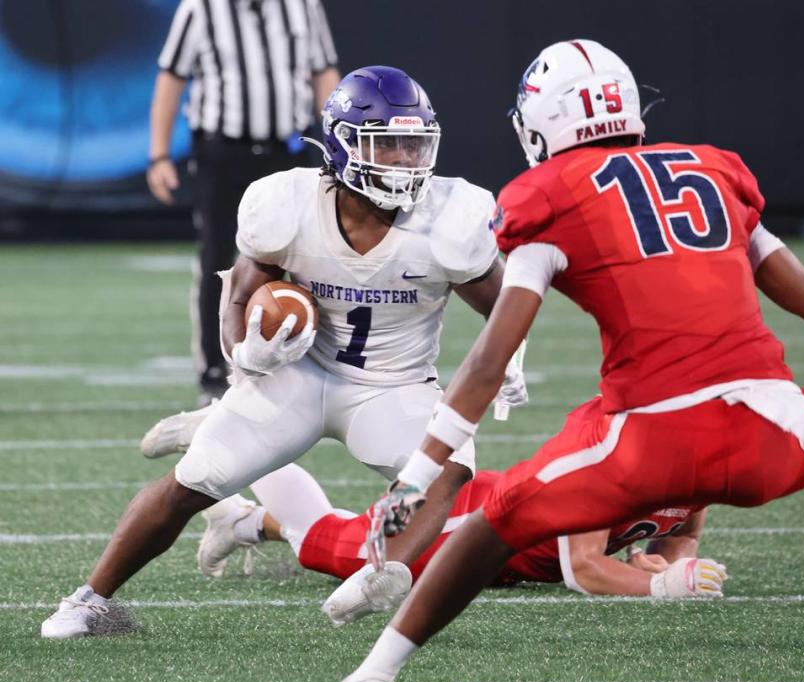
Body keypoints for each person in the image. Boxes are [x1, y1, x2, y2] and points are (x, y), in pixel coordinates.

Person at [338, 40, 804, 682]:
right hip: (771, 430)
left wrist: (415, 476)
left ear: (545, 123)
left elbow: (492, 358)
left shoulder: (547, 193)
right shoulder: (714, 172)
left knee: (492, 526)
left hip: (650, 441)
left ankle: (375, 674)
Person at [40, 66, 527, 639]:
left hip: (392, 386)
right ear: (343, 145)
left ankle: (384, 568)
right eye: (386, 144)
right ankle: (89, 600)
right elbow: (240, 296)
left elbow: (505, 303)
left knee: (450, 466)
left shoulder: (450, 217)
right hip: (296, 376)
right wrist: (247, 355)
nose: (403, 160)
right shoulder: (286, 203)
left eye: (413, 143)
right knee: (192, 482)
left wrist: (510, 355)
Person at [147, 0, 341, 404]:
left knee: (303, 257)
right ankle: (215, 371)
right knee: (219, 260)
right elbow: (171, 77)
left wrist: (335, 145)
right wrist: (159, 154)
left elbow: (323, 72)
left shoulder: (302, 6)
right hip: (223, 152)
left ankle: (303, 359)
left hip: (286, 151)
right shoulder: (200, 9)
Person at [193, 465, 726, 611]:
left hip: (499, 555)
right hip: (469, 517)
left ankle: (243, 521)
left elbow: (676, 536)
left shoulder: (699, 480)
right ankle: (230, 433)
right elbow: (582, 568)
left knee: (348, 536)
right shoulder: (620, 472)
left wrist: (656, 563)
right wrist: (656, 587)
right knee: (323, 547)